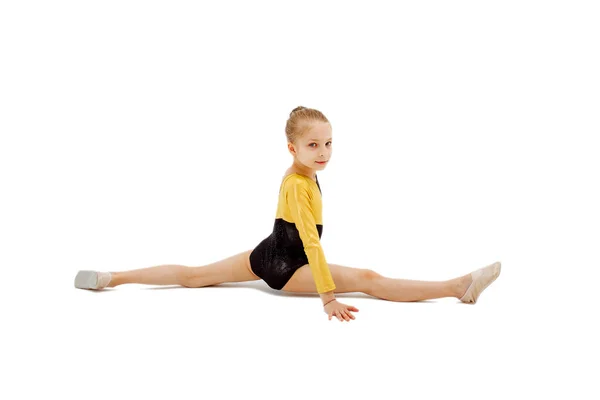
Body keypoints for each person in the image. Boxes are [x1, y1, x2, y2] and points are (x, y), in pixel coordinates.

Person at [74, 106, 501, 322]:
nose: (324, 152)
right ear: (292, 149)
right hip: (286, 264)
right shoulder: (298, 184)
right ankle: (456, 287)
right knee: (368, 280)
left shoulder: (303, 175)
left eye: (329, 143)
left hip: (266, 252)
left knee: (193, 276)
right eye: (313, 146)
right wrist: (328, 296)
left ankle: (112, 278)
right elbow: (311, 242)